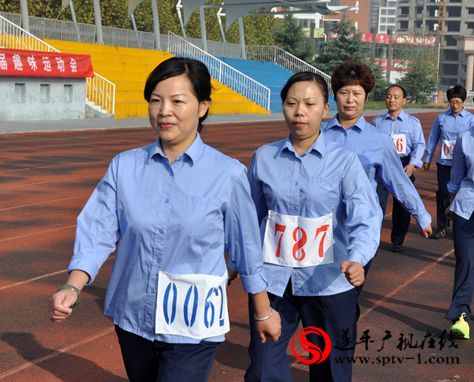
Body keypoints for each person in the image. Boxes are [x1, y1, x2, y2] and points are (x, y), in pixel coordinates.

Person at [49, 57, 281, 381]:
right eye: (156, 101)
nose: (164, 111)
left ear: (202, 107)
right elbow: (98, 229)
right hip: (133, 316)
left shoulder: (227, 174)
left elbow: (245, 248)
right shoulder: (125, 166)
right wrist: (72, 286)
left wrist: (263, 310)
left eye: (177, 101)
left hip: (194, 323)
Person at [245, 72, 382, 382]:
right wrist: (237, 260)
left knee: (331, 370)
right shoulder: (264, 158)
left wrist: (358, 258)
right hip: (276, 281)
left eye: (309, 103)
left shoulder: (344, 162)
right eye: (291, 103)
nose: (299, 112)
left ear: (325, 108)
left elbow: (366, 216)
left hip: (329, 281)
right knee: (264, 368)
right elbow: (251, 217)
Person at [321, 61, 432, 254]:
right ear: (335, 96)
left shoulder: (379, 140)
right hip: (322, 226)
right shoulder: (318, 135)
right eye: (343, 92)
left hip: (361, 228)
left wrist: (421, 215)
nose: (350, 100)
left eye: (357, 93)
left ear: (365, 97)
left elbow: (399, 182)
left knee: (351, 282)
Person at [372, 84, 426, 252]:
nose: (392, 100)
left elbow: (419, 145)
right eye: (389, 96)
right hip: (381, 166)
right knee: (375, 203)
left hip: (403, 166)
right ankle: (372, 238)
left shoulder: (412, 123)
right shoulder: (377, 122)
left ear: (404, 100)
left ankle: (397, 240)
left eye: (396, 97)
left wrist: (412, 165)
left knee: (402, 205)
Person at [422, 85, 474, 239]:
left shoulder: (471, 120)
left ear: (463, 102)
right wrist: (427, 157)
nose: (454, 105)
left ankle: (461, 224)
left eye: (457, 102)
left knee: (462, 193)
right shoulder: (441, 118)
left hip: (463, 164)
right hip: (445, 163)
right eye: (452, 102)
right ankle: (442, 226)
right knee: (443, 193)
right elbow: (433, 138)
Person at [445, 129, 474, 340]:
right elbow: (456, 174)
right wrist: (451, 201)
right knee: (466, 261)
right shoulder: (466, 137)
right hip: (467, 204)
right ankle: (460, 315)